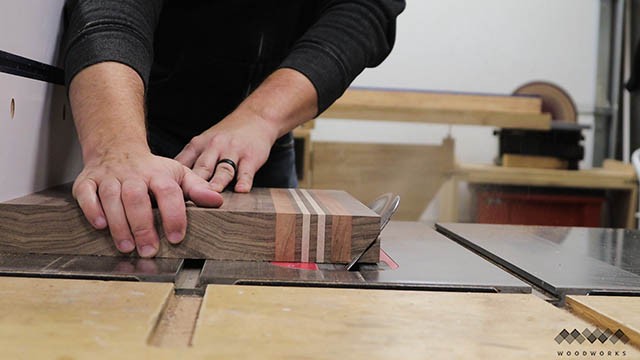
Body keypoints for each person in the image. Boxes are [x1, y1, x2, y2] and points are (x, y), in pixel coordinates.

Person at [62, 0, 405, 258]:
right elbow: (112, 10)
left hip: (261, 145)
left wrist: (261, 117)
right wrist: (117, 147)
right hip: (145, 129)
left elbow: (363, 10)